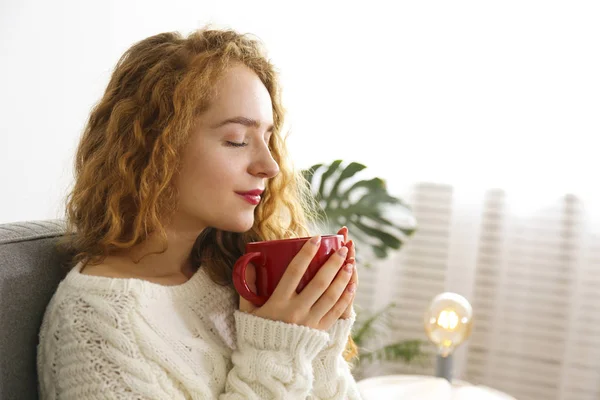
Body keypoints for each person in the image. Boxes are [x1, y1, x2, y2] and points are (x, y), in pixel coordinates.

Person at [37, 27, 362, 399]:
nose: (270, 166)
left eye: (269, 139)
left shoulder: (229, 275)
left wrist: (319, 337)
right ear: (155, 146)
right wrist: (278, 352)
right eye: (237, 140)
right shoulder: (96, 326)